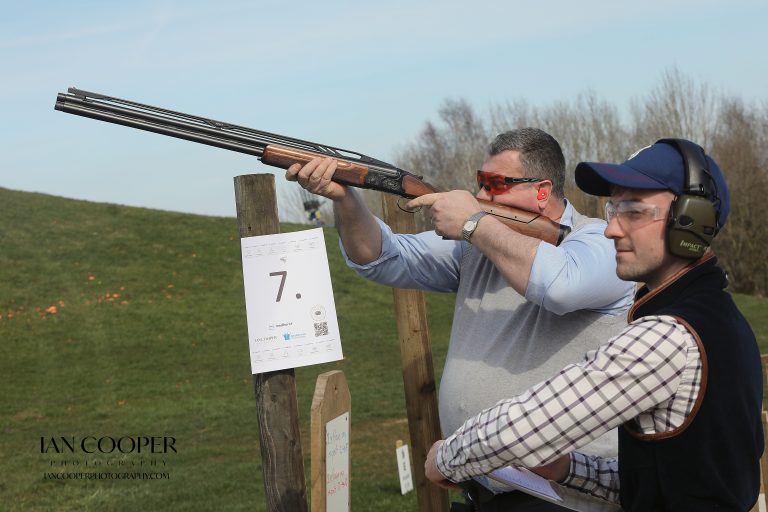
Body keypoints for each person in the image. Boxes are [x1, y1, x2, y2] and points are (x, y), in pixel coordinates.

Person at [287, 128, 635, 511]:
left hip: (563, 498)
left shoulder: (600, 242)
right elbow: (381, 257)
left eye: (495, 183)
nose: (481, 196)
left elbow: (560, 286)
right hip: (480, 491)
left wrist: (473, 224)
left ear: (542, 191)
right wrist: (346, 200)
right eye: (479, 183)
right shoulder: (480, 245)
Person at [424, 139, 763, 511]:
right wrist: (569, 468)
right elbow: (666, 480)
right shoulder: (719, 318)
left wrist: (449, 458)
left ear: (691, 221)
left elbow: (532, 423)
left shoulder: (667, 336)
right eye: (612, 210)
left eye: (632, 212)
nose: (610, 229)